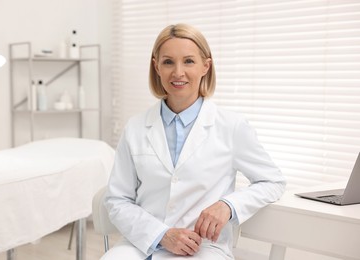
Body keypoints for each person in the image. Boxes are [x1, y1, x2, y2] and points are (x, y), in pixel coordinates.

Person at [102, 23, 286, 260]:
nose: (178, 72)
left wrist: (227, 205)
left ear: (205, 66)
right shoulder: (136, 127)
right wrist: (161, 235)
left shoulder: (231, 126)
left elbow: (273, 181)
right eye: (168, 62)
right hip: (141, 243)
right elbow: (118, 199)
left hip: (203, 248)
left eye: (188, 61)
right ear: (156, 66)